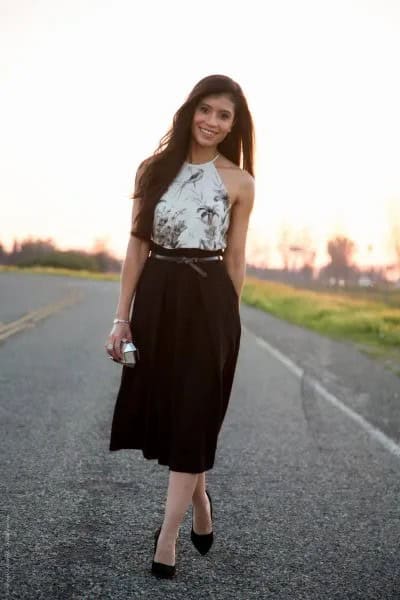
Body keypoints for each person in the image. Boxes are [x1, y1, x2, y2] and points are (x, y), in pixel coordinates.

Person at [104, 74, 255, 578]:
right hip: (158, 298)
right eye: (206, 109)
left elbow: (235, 256)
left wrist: (229, 321)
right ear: (191, 111)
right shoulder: (153, 171)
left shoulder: (239, 182)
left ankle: (165, 541)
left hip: (210, 302)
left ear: (235, 125)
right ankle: (200, 502)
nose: (212, 121)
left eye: (224, 115)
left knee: (196, 411)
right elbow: (136, 247)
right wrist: (121, 317)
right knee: (174, 414)